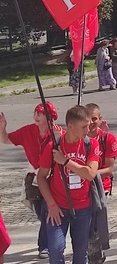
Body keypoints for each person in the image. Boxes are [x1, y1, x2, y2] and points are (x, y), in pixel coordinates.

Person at [37, 105, 100, 264]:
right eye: (84, 126)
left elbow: (90, 174)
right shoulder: (54, 146)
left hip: (83, 208)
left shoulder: (91, 144)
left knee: (81, 253)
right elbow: (41, 177)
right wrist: (51, 204)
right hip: (58, 207)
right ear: (70, 126)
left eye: (88, 125)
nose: (88, 130)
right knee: (56, 250)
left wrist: (65, 161)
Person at [0, 102, 61, 260]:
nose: (36, 116)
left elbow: (66, 153)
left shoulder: (57, 133)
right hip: (34, 178)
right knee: (42, 213)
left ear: (50, 117)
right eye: (35, 113)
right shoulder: (28, 130)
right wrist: (2, 127)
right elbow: (6, 140)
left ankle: (44, 246)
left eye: (40, 113)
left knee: (47, 212)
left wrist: (59, 137)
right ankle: (50, 240)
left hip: (51, 178)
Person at [85, 103, 117, 260]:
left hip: (100, 185)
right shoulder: (79, 137)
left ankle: (96, 252)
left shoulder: (107, 138)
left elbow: (110, 170)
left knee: (96, 222)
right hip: (81, 185)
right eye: (88, 119)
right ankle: (91, 251)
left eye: (94, 119)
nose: (91, 123)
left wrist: (89, 173)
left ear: (100, 119)